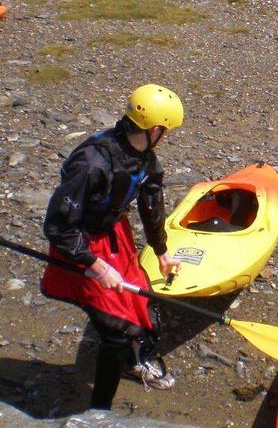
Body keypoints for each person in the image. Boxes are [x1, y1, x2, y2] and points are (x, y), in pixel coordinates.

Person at [41, 84, 184, 409]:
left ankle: (135, 357)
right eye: (168, 130)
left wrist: (161, 251)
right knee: (113, 329)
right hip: (80, 242)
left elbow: (151, 205)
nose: (168, 136)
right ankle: (100, 408)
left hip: (112, 232)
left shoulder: (144, 158)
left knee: (137, 300)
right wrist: (95, 265)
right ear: (155, 128)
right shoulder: (91, 165)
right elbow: (58, 227)